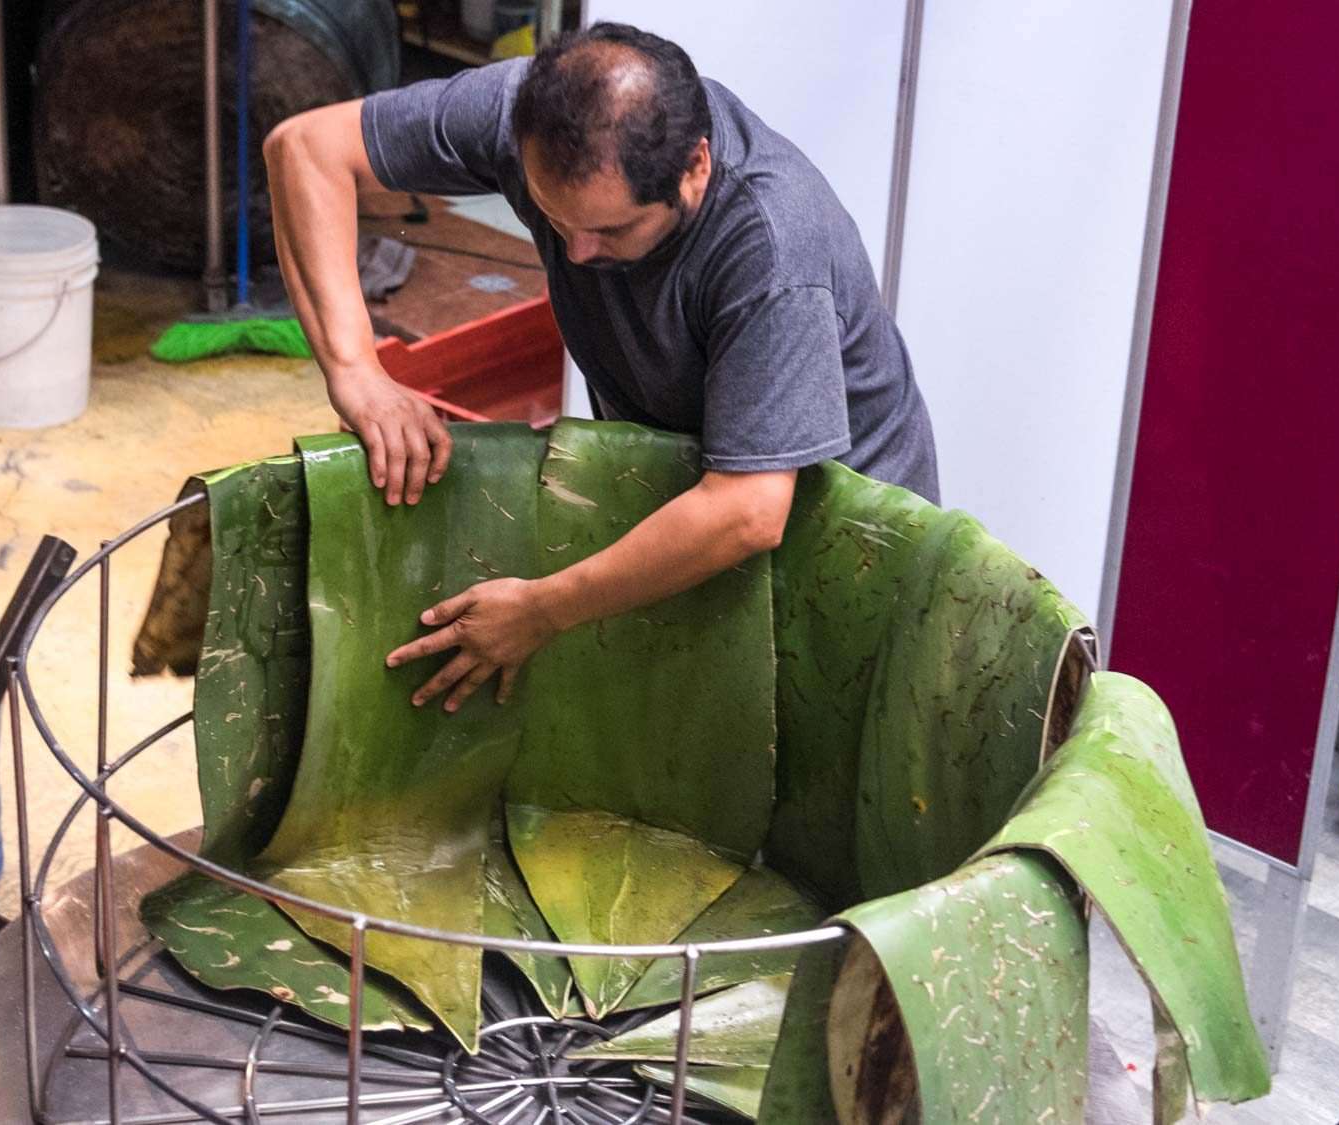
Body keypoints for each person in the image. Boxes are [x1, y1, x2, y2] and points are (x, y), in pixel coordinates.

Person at [263, 21, 939, 712]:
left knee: (805, 741)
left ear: (695, 168)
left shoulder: (769, 244)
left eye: (613, 231)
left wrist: (541, 610)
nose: (579, 255)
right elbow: (305, 149)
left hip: (838, 530)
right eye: (557, 220)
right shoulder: (521, 110)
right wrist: (355, 370)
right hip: (691, 478)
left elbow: (748, 511)